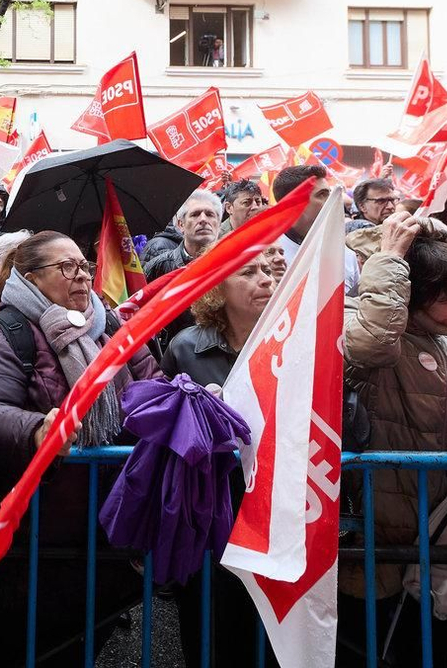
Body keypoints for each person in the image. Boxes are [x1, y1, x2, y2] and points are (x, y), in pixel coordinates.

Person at [0, 231, 157, 664]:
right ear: (30, 278)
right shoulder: (5, 331)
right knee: (19, 647)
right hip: (33, 539)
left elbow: (151, 388)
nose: (82, 276)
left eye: (83, 266)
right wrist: (35, 430)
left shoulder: (112, 326)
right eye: (66, 268)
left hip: (106, 528)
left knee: (81, 645)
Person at [340, 214, 447, 665]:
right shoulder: (358, 319)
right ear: (416, 294)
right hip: (380, 528)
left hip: (442, 523)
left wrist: (440, 243)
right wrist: (389, 257)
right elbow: (373, 345)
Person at [160, 249, 278, 665]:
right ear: (217, 290)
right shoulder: (186, 348)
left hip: (272, 511)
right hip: (210, 515)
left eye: (267, 270)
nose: (265, 279)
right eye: (249, 272)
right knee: (212, 629)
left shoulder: (289, 337)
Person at [273, 165, 362, 295]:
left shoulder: (347, 255)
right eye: (322, 195)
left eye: (330, 194)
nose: (333, 201)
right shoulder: (267, 258)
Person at [143, 189, 222, 281]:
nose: (203, 219)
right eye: (195, 215)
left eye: (209, 214)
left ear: (219, 224)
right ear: (181, 224)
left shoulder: (234, 263)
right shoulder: (157, 268)